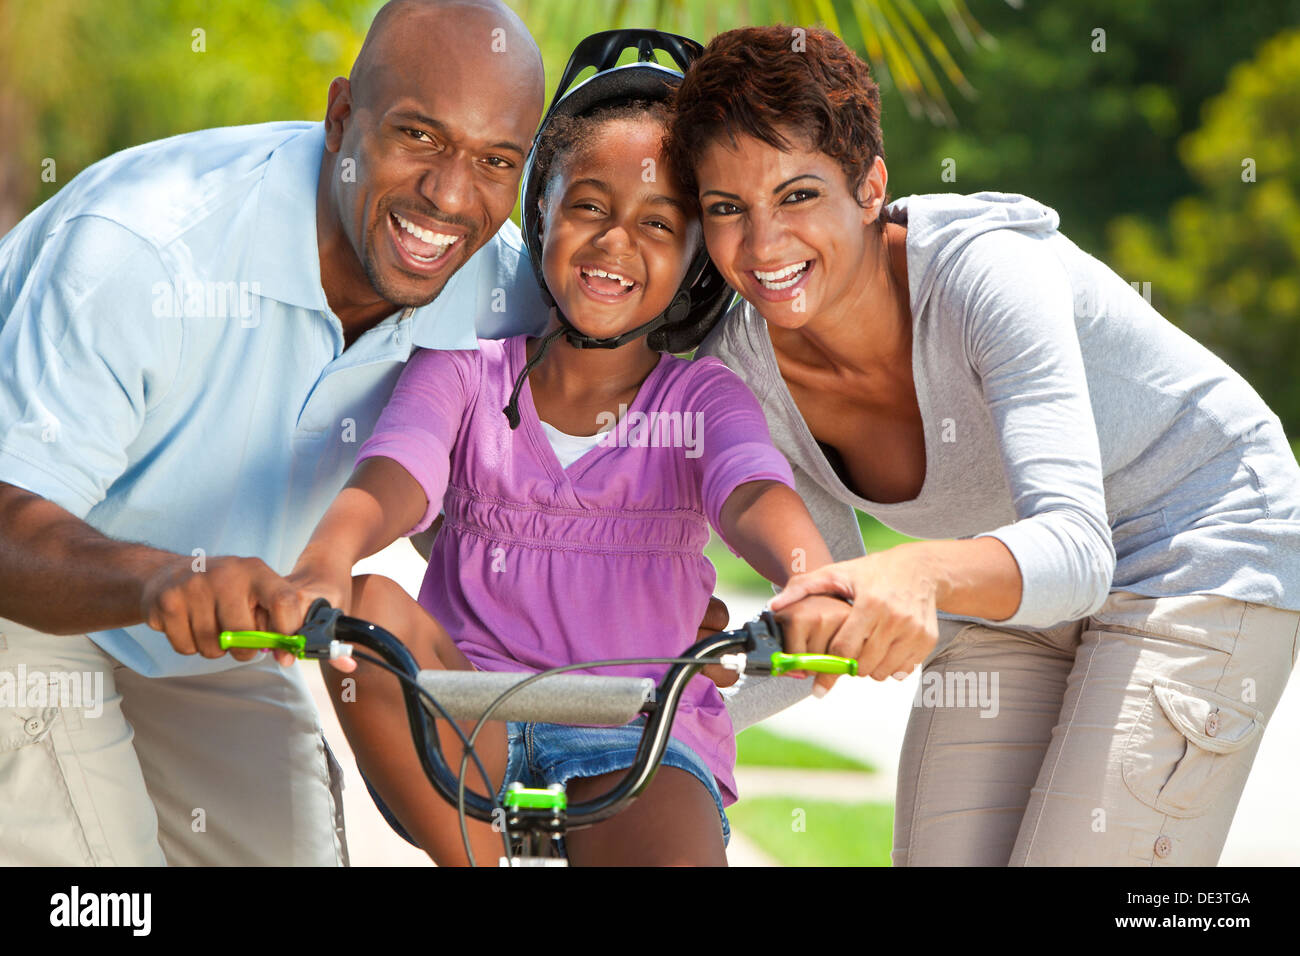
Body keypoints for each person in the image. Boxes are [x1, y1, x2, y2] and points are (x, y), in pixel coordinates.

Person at [667, 25, 1300, 865]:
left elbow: (1076, 549)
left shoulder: (986, 274)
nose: (764, 245)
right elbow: (823, 623)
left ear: (869, 187)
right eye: (726, 209)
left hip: (1198, 537)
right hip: (1012, 578)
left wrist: (917, 569)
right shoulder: (742, 374)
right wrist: (668, 708)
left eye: (798, 195)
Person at [0, 0, 551, 865]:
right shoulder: (144, 250)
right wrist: (157, 581)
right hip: (25, 619)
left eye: (494, 161)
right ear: (342, 119)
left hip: (210, 642)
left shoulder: (502, 293)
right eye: (418, 137)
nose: (450, 195)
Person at [281, 39, 851, 866]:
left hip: (639, 729)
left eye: (658, 223)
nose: (616, 242)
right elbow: (398, 471)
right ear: (539, 213)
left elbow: (751, 490)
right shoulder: (464, 370)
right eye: (588, 206)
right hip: (470, 707)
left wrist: (809, 574)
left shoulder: (699, 399)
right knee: (366, 605)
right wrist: (325, 559)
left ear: (697, 259)